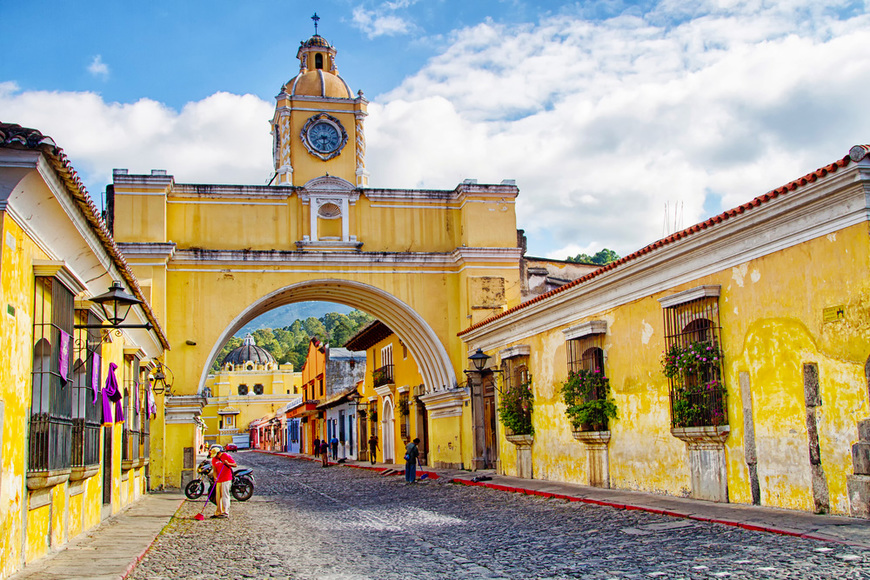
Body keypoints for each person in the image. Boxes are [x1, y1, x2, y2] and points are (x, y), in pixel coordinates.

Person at [209, 444, 236, 518]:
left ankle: (225, 512)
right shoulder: (214, 459)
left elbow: (234, 464)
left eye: (215, 455)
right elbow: (214, 470)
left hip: (226, 478)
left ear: (219, 453)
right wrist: (215, 477)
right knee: (218, 496)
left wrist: (228, 463)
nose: (215, 457)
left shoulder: (226, 456)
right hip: (219, 479)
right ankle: (218, 512)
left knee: (225, 495)